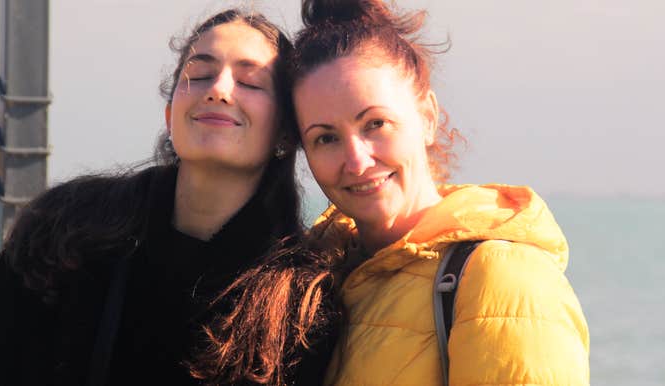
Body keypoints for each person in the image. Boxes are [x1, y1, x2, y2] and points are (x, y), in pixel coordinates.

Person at [192, 0, 590, 385]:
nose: (357, 160)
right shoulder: (320, 279)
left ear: (427, 117)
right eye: (326, 137)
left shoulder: (502, 278)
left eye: (375, 124)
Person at [0, 9, 302, 386]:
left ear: (286, 133)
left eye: (249, 82)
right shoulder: (62, 231)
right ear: (171, 116)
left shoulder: (299, 297)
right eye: (200, 74)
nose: (218, 90)